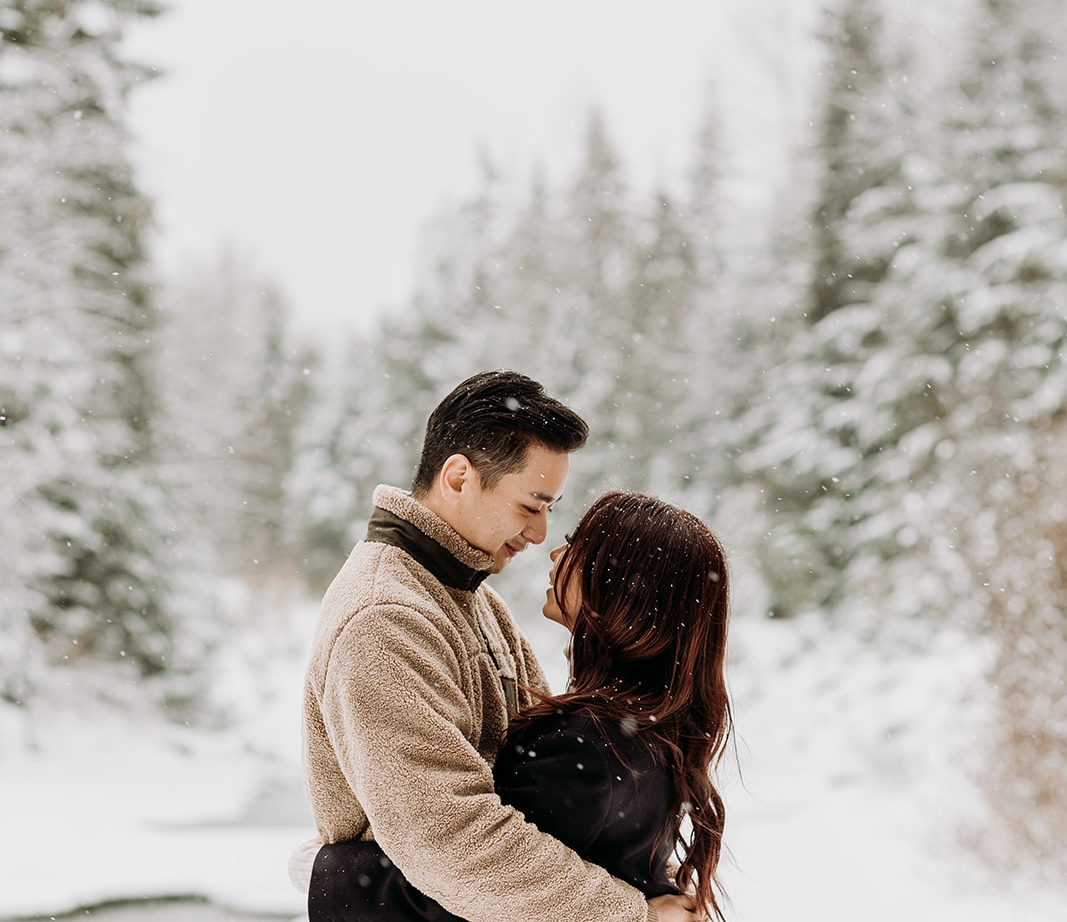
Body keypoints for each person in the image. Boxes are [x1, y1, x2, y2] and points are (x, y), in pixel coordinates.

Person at [295, 371, 702, 922]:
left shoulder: (477, 602)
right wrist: (631, 914)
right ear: (459, 476)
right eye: (531, 505)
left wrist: (644, 868)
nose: (540, 534)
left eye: (550, 508)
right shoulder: (385, 618)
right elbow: (449, 838)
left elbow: (550, 804)